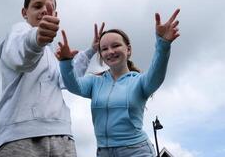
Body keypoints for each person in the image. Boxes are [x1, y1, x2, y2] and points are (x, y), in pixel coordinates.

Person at [0, 0, 105, 157]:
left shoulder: (50, 52)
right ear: (24, 12)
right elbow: (20, 53)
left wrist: (89, 52)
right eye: (37, 6)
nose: (44, 10)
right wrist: (36, 39)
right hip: (20, 135)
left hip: (62, 134)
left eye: (49, 7)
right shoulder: (19, 31)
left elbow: (64, 81)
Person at [56, 9, 180, 157]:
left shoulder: (139, 82)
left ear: (128, 50)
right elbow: (72, 85)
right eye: (104, 49)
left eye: (115, 46)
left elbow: (157, 75)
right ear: (101, 55)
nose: (110, 51)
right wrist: (65, 62)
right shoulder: (94, 82)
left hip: (137, 151)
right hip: (104, 152)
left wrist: (163, 44)